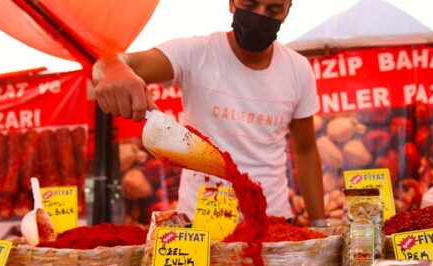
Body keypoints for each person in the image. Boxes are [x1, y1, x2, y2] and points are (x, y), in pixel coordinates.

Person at [93, 0, 326, 227]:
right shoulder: (197, 53)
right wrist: (117, 71)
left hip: (271, 220)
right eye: (249, 5)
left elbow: (305, 150)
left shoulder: (298, 69)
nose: (259, 15)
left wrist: (319, 223)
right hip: (201, 221)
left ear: (287, 11)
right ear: (232, 3)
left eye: (273, 9)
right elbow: (111, 63)